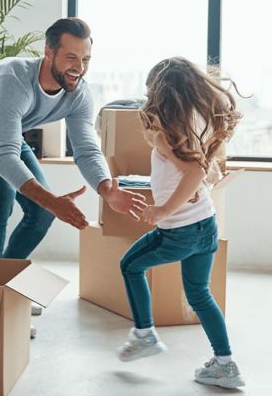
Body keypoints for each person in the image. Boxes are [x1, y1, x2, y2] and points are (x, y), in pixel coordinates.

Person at [0, 17, 148, 260]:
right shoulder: (14, 79)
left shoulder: (79, 94)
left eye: (86, 60)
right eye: (71, 57)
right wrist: (53, 201)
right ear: (48, 52)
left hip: (5, 133)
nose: (79, 68)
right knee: (1, 194)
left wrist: (107, 190)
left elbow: (86, 149)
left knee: (42, 213)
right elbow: (4, 157)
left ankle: (5, 277)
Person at [113, 57, 245, 389]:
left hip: (179, 231)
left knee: (130, 265)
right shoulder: (198, 120)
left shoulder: (167, 135)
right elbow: (202, 169)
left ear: (163, 93)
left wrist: (162, 210)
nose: (147, 100)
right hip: (205, 226)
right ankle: (226, 365)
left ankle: (144, 334)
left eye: (149, 93)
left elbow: (195, 171)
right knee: (200, 294)